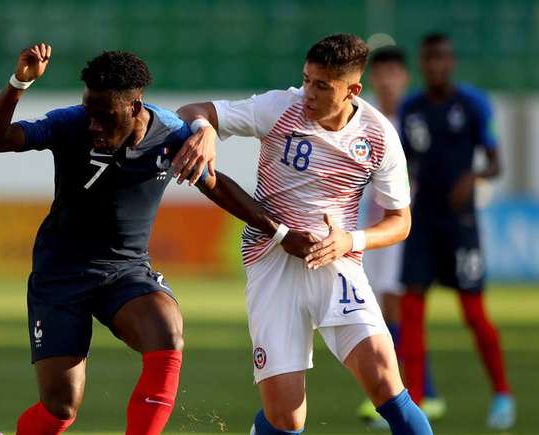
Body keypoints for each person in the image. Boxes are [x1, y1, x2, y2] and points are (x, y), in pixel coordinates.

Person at [0, 43, 284, 435]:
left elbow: (214, 184)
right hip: (60, 276)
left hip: (125, 272)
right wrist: (19, 82)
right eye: (90, 112)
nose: (94, 125)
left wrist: (278, 230)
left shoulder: (171, 135)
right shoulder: (70, 124)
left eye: (104, 116)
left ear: (135, 106)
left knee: (167, 331)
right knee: (59, 410)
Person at [177, 34, 433, 434]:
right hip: (272, 263)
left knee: (386, 381)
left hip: (339, 264)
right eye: (306, 79)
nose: (308, 93)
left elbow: (401, 221)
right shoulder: (280, 107)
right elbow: (193, 110)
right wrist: (204, 127)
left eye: (322, 85)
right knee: (287, 418)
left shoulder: (379, 136)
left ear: (352, 90)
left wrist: (351, 240)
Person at [398, 33, 514, 430]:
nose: (435, 66)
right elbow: (399, 163)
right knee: (411, 310)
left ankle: (502, 394)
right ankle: (412, 402)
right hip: (421, 223)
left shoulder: (473, 104)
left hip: (461, 225)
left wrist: (474, 176)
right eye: (429, 59)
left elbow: (496, 163)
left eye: (442, 59)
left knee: (474, 313)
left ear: (452, 62)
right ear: (422, 63)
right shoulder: (411, 109)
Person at [356, 46, 445, 427]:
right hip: (367, 224)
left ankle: (414, 392)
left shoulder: (412, 118)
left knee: (395, 306)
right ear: (371, 79)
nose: (388, 80)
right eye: (381, 73)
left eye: (394, 72)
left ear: (404, 77)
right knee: (377, 307)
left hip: (400, 226)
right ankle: (415, 391)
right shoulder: (363, 117)